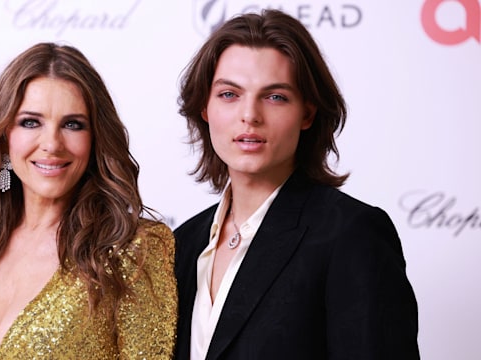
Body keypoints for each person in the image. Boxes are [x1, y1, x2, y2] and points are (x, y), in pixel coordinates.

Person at [173, 9, 419, 360]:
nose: (250, 115)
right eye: (229, 94)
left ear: (307, 113)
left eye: (275, 96)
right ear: (204, 107)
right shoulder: (183, 244)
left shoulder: (352, 235)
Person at [0, 42, 176, 359]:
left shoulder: (132, 248)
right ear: (4, 136)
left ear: (95, 138)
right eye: (31, 122)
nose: (52, 144)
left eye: (72, 125)